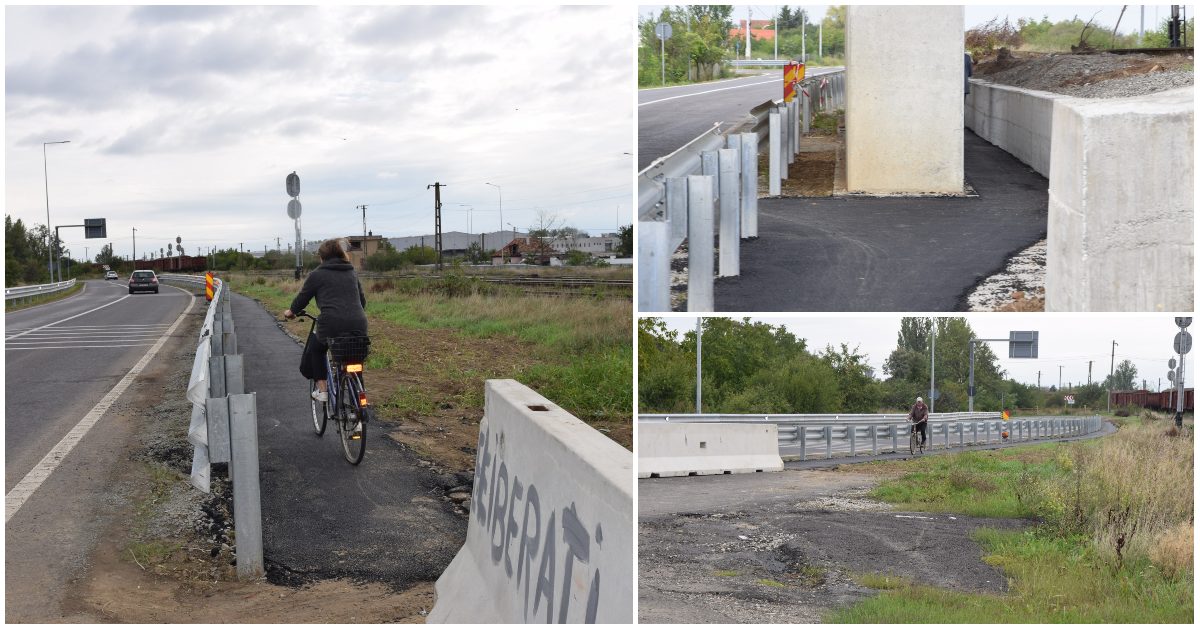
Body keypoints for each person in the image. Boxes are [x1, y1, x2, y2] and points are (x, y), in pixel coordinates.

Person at [282, 237, 368, 401]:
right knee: (353, 358)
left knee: (317, 349)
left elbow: (302, 299)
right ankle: (358, 410)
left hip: (331, 324)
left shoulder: (317, 274)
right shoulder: (351, 272)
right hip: (359, 322)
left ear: (323, 257)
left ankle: (323, 391)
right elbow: (362, 301)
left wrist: (291, 312)